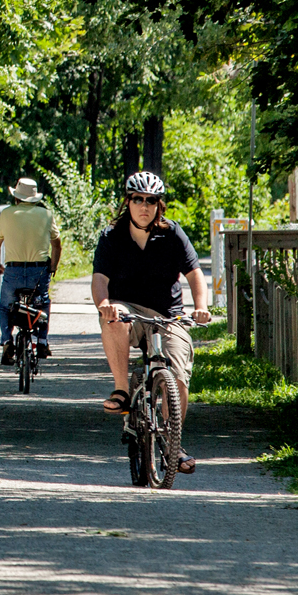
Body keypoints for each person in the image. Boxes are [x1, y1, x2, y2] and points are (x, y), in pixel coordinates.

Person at [92, 170, 212, 474]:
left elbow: (195, 273)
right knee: (113, 318)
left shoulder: (172, 233)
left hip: (168, 315)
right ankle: (121, 390)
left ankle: (174, 443)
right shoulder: (111, 236)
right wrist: (104, 305)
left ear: (160, 204)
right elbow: (99, 279)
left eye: (151, 200)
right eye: (138, 200)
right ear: (127, 202)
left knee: (179, 379)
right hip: (128, 311)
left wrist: (200, 307)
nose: (144, 206)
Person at [0, 177, 61, 364]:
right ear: (35, 198)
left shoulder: (6, 214)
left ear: (16, 197)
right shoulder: (46, 215)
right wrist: (52, 267)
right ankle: (43, 341)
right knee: (43, 303)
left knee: (5, 306)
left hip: (13, 271)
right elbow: (57, 245)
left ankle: (6, 341)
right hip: (39, 272)